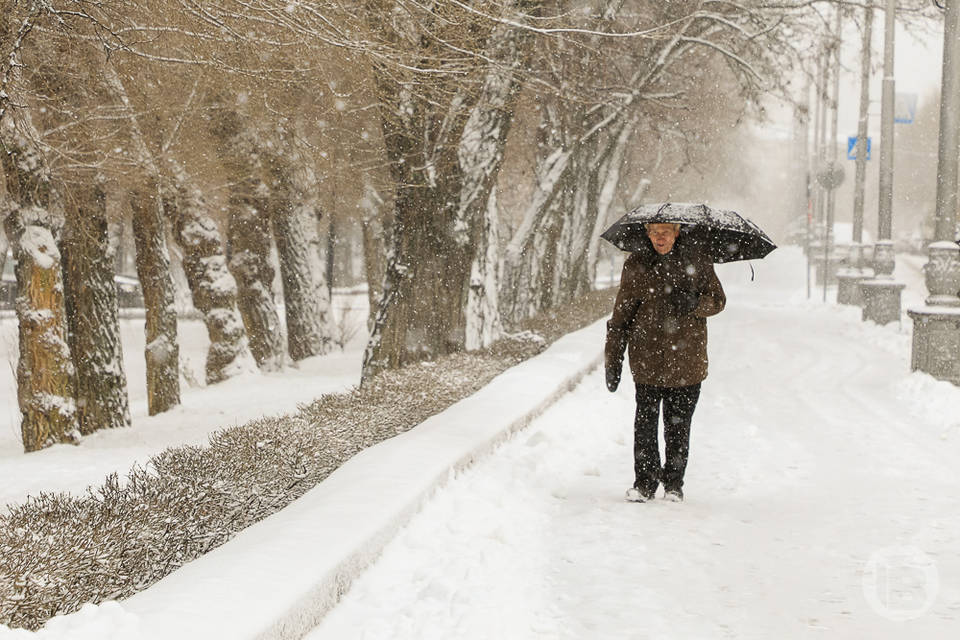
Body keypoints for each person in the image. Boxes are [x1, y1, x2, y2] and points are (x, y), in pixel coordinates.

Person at [604, 222, 726, 503]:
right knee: (645, 424)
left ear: (677, 232)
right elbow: (621, 313)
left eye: (665, 231)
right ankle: (645, 483)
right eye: (654, 231)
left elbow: (718, 300)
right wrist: (614, 358)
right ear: (646, 233)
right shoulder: (637, 264)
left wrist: (695, 304)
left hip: (687, 361)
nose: (660, 237)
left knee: (678, 426)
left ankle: (673, 484)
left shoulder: (698, 260)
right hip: (647, 358)